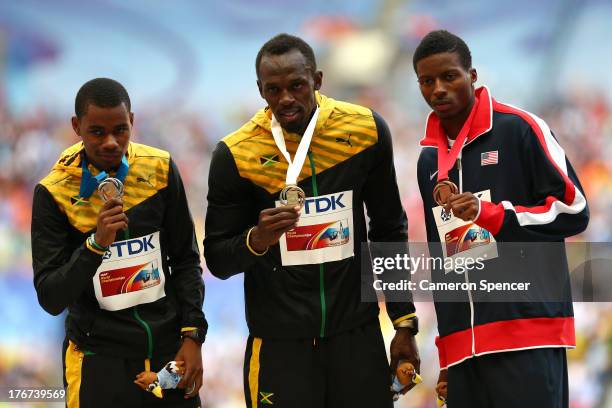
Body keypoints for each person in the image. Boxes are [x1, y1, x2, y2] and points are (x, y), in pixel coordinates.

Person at [204, 33, 419, 407]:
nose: (286, 98)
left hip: (357, 336)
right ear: (260, 90)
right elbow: (218, 260)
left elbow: (388, 228)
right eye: (273, 89)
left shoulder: (366, 130)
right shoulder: (235, 154)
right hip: (278, 347)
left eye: (297, 85)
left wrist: (403, 320)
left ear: (317, 80)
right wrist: (257, 239)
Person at [414, 30, 589, 407]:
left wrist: (493, 216)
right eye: (427, 81)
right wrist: (447, 353)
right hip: (465, 352)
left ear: (472, 76)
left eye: (449, 76)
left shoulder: (519, 129)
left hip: (527, 335)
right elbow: (442, 261)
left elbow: (575, 210)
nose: (438, 89)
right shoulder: (429, 160)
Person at [31, 78, 207, 408]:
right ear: (76, 126)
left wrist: (193, 334)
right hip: (99, 361)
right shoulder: (54, 192)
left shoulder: (160, 169)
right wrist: (96, 245)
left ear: (132, 122)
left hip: (167, 355)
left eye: (121, 130)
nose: (111, 142)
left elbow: (185, 260)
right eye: (97, 131)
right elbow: (51, 296)